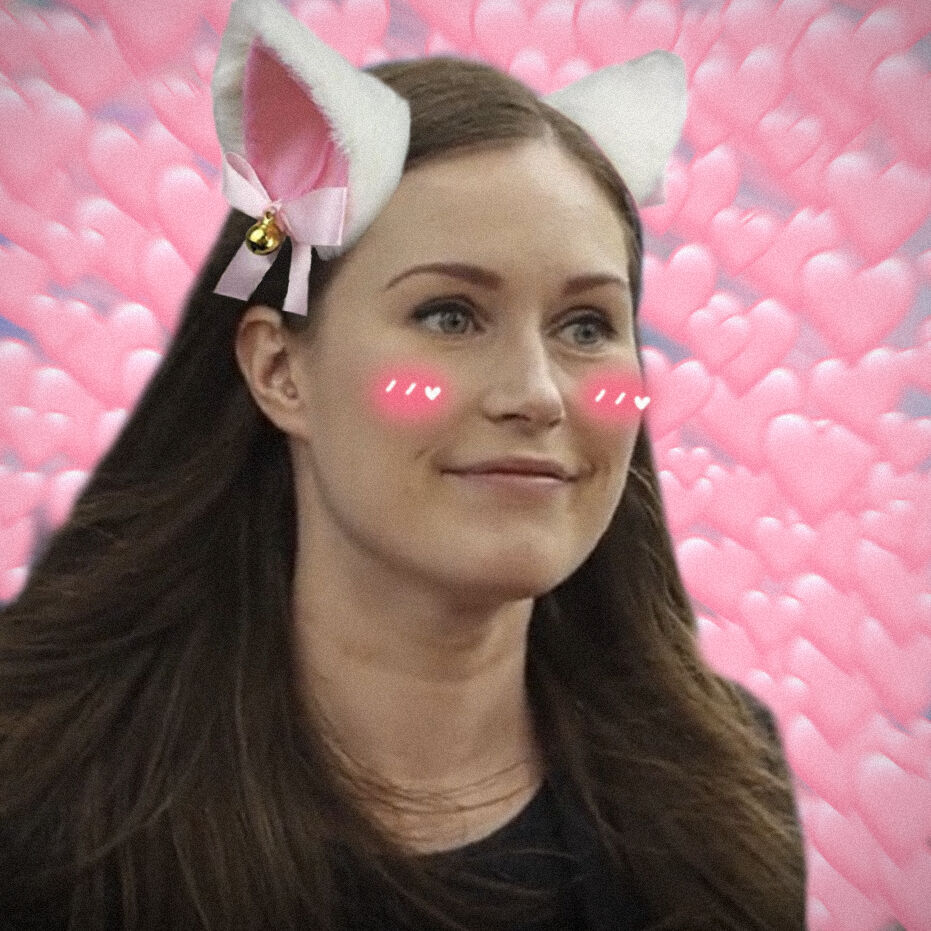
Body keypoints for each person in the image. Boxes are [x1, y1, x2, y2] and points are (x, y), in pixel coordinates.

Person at [0, 0, 807, 927]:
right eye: (449, 316)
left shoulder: (722, 794)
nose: (537, 393)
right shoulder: (45, 811)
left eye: (586, 326)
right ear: (279, 371)